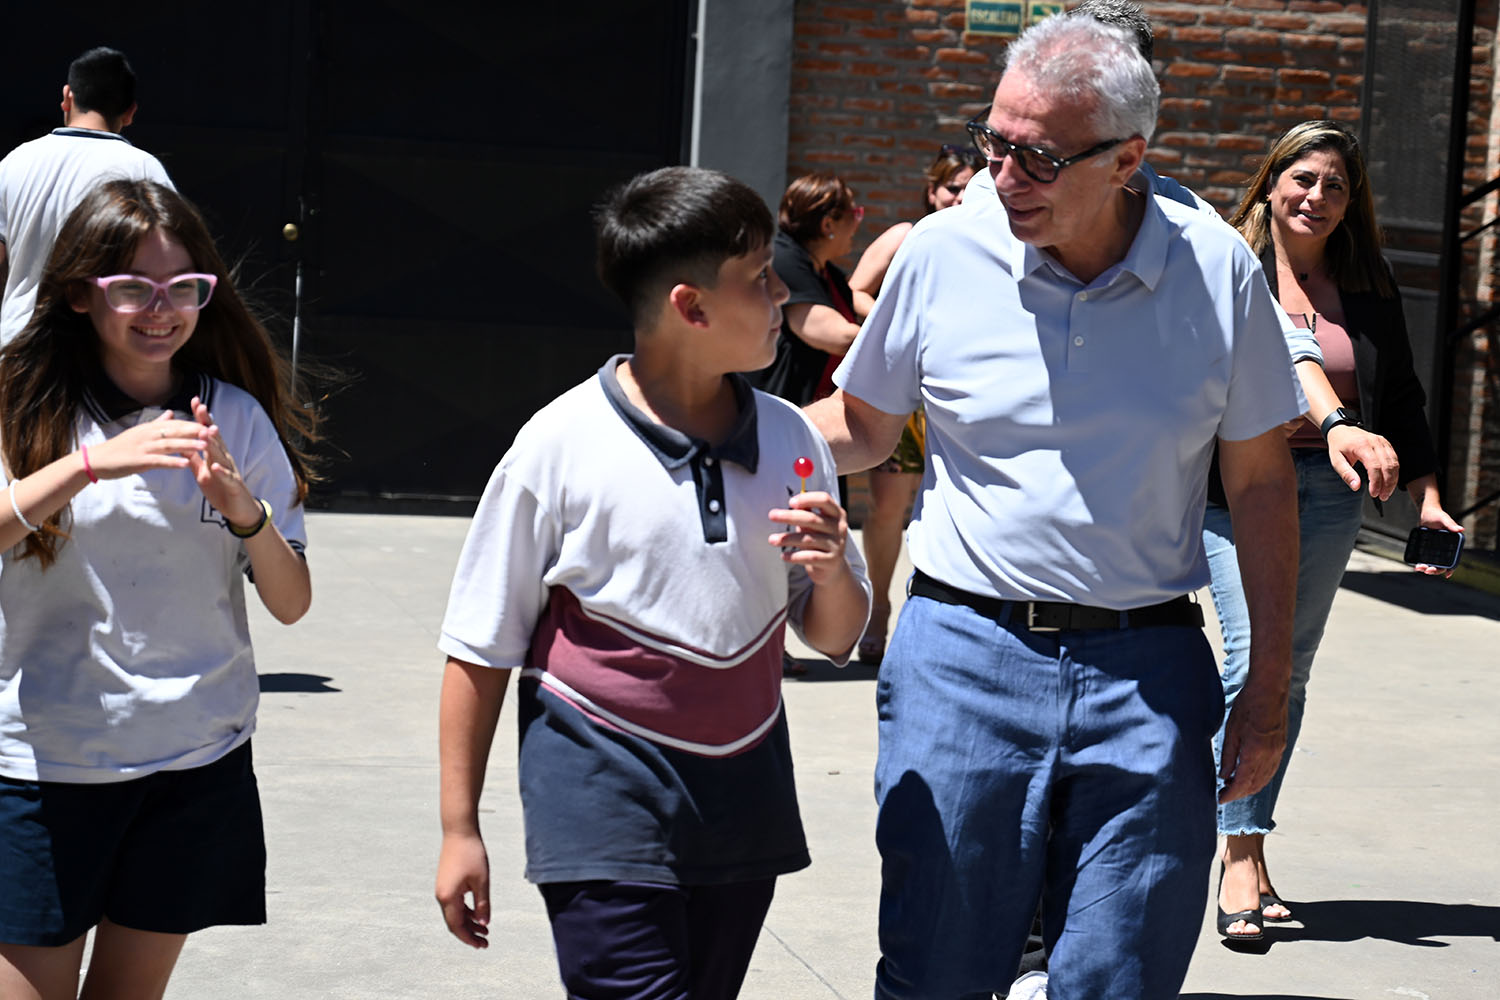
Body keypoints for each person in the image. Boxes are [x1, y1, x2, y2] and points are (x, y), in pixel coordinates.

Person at [808, 15, 1302, 999]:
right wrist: (722, 437)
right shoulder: (944, 252)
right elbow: (861, 423)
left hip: (1148, 673)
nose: (1003, 176)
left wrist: (1269, 687)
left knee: (1122, 975)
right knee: (936, 970)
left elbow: (1259, 483)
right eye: (994, 142)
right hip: (961, 658)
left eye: (1037, 157)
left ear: (1128, 160)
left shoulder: (1216, 270)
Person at [433, 166, 871, 999]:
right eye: (759, 277)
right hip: (599, 790)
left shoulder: (793, 440)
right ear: (690, 307)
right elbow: (479, 645)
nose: (782, 292)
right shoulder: (558, 444)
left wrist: (831, 568)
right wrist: (461, 828)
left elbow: (833, 634)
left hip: (744, 798)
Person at [0, 179, 317, 999]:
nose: (161, 309)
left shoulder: (234, 419)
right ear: (80, 292)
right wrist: (86, 466)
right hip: (44, 765)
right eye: (133, 287)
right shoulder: (21, 405)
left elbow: (291, 603)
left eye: (183, 287)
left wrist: (245, 512)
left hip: (193, 760)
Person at [1206, 120, 1463, 942]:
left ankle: (1247, 841)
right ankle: (1237, 853)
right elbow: (1274, 362)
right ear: (1271, 180)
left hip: (1331, 489)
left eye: (1336, 186)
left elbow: (1406, 394)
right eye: (1304, 178)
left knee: (1292, 666)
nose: (1317, 197)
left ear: (1353, 204)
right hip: (1236, 484)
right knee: (1254, 655)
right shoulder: (1230, 262)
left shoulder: (1367, 279)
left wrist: (1427, 496)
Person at [846, 145, 982, 664]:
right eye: (952, 188)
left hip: (963, 392)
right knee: (888, 509)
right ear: (932, 191)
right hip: (907, 395)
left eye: (971, 187)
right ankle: (877, 608)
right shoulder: (910, 235)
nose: (961, 197)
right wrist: (903, 324)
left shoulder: (989, 239)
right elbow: (857, 289)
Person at [0, 47, 174, 345]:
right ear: (130, 112)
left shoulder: (14, 162)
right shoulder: (145, 170)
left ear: (67, 97)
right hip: (99, 350)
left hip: (17, 344)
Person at [747, 172, 864, 410]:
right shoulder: (784, 261)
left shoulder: (828, 273)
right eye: (854, 213)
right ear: (828, 224)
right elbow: (836, 337)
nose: (858, 222)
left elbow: (856, 298)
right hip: (771, 413)